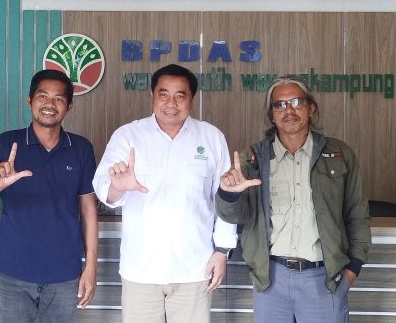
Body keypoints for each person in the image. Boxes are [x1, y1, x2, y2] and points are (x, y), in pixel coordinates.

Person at [215, 75, 371, 323]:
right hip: (271, 280)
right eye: (279, 104)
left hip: (324, 279)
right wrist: (228, 193)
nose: (288, 110)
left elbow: (358, 216)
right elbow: (233, 215)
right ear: (272, 115)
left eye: (296, 102)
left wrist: (352, 269)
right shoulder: (253, 159)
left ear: (311, 108)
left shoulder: (339, 154)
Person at [92, 63, 237, 323]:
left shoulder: (212, 137)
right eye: (164, 94)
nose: (171, 103)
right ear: (152, 95)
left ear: (192, 98)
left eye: (180, 95)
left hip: (195, 268)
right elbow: (103, 188)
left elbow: (225, 199)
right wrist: (118, 186)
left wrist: (222, 251)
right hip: (141, 270)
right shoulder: (128, 135)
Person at [0, 69, 98, 323]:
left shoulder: (81, 148)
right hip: (13, 272)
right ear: (29, 100)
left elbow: (88, 210)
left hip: (64, 274)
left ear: (69, 106)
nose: (49, 104)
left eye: (59, 98)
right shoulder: (6, 144)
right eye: (42, 96)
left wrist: (91, 267)